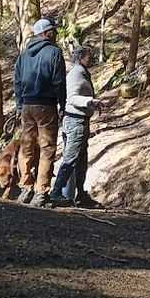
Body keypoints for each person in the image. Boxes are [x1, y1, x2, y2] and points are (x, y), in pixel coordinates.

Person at [13, 17, 66, 208]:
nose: (55, 34)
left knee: (26, 147)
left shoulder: (23, 55)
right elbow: (59, 82)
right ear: (46, 33)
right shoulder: (54, 53)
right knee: (47, 148)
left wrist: (20, 105)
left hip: (27, 106)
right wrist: (63, 104)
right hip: (46, 106)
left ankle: (25, 187)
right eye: (52, 31)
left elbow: (17, 82)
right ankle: (41, 192)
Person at [49, 44, 106, 209]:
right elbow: (72, 98)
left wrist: (92, 105)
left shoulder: (81, 73)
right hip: (75, 121)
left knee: (80, 160)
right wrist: (90, 101)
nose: (92, 58)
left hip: (80, 120)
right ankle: (56, 192)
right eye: (89, 55)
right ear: (81, 57)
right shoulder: (76, 74)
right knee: (71, 158)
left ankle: (80, 194)